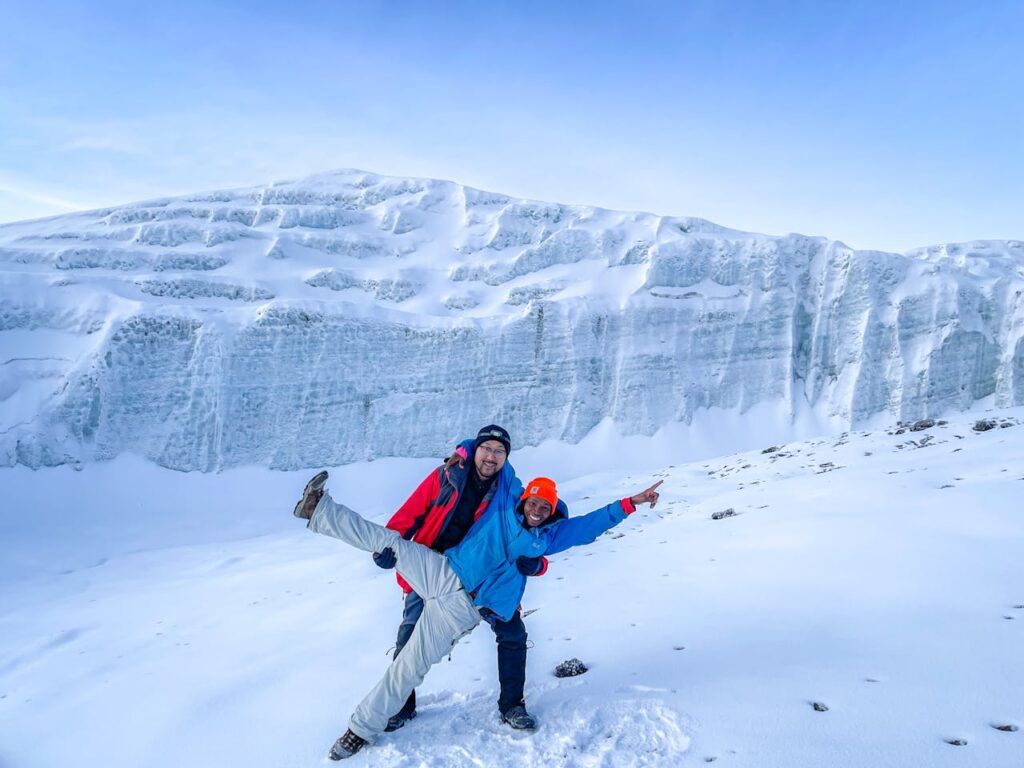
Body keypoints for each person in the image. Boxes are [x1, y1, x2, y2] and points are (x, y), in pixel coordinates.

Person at [292, 454, 662, 761]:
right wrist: (468, 452)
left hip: (460, 611)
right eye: (533, 502)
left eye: (544, 507)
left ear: (550, 512)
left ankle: (358, 730)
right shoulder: (503, 506)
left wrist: (631, 503)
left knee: (409, 667)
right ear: (524, 499)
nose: (536, 509)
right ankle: (318, 510)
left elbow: (588, 526)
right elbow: (498, 451)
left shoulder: (547, 540)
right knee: (391, 542)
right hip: (442, 571)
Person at [371, 425, 546, 732]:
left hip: (483, 578)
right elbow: (409, 514)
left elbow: (537, 529)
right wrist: (387, 547)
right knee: (409, 636)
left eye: (499, 452)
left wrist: (538, 563)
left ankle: (512, 706)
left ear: (506, 457)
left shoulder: (508, 492)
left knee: (513, 633)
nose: (491, 457)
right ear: (475, 449)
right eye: (486, 449)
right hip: (431, 570)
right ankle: (401, 706)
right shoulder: (445, 477)